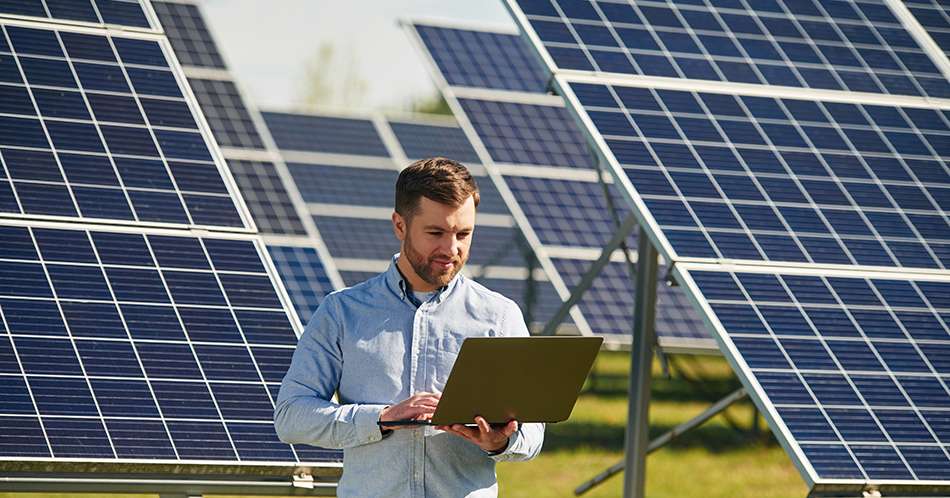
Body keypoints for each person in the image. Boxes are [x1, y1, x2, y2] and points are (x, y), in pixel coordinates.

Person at [274, 157, 544, 497]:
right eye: (436, 233)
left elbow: (533, 434)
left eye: (463, 234)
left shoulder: (499, 316)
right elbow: (291, 415)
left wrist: (500, 441)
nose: (451, 249)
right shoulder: (342, 312)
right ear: (400, 226)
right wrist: (382, 418)